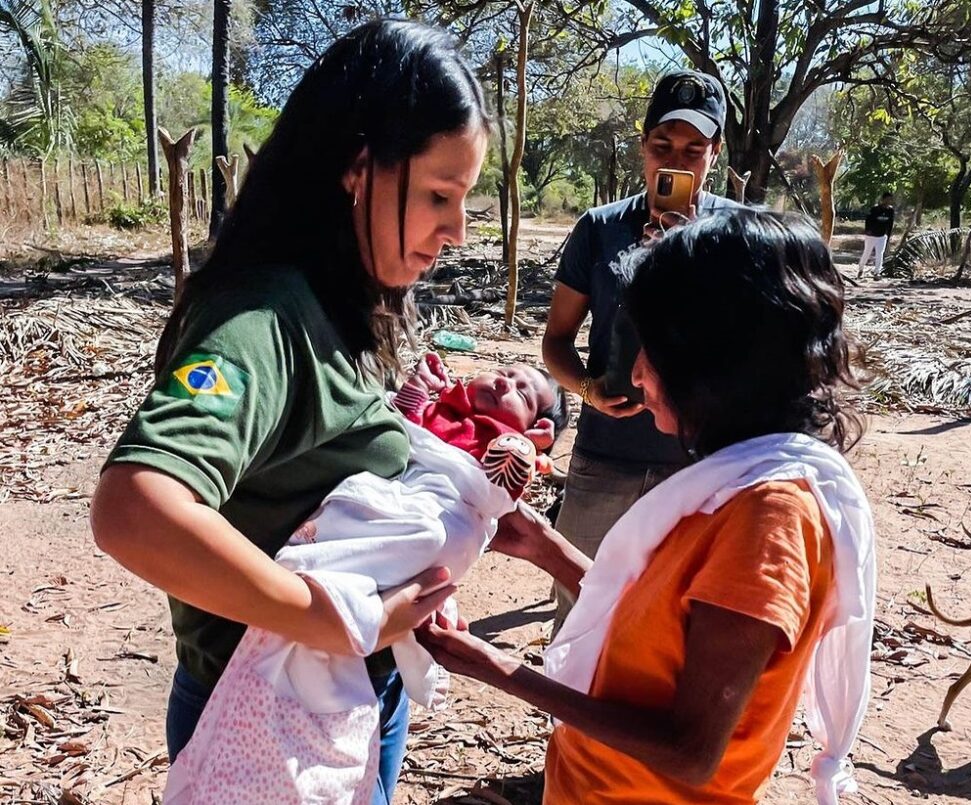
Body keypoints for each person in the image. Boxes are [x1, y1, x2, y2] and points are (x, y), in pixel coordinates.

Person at [90, 20, 489, 805]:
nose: (457, 232)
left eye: (464, 200)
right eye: (440, 195)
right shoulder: (264, 318)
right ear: (357, 168)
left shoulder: (345, 303)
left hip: (340, 703)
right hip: (264, 729)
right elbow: (133, 506)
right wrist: (327, 616)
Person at [419, 209, 877, 805]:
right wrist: (545, 547)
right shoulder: (730, 488)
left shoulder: (769, 521)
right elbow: (659, 629)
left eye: (652, 350)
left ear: (715, 362)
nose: (635, 373)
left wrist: (497, 668)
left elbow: (690, 751)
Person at [542, 69, 742, 633]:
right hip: (606, 455)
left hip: (701, 464)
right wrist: (588, 392)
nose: (675, 161)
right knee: (580, 612)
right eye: (662, 146)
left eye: (694, 149)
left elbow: (752, 348)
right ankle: (568, 722)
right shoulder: (600, 229)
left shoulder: (738, 233)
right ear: (643, 146)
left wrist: (684, 259)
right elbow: (555, 341)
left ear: (715, 153)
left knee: (677, 619)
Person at [393, 353, 569, 463]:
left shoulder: (501, 445)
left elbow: (505, 478)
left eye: (523, 395)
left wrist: (529, 445)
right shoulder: (445, 408)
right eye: (503, 373)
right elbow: (398, 422)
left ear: (534, 427)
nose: (504, 383)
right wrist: (421, 383)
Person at [857, 191, 895, 278]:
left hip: (882, 236)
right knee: (867, 252)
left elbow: (890, 223)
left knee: (880, 254)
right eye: (886, 199)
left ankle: (877, 271)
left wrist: (888, 236)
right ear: (882, 199)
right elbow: (868, 221)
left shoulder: (890, 211)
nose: (888, 201)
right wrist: (868, 231)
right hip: (871, 236)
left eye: (890, 199)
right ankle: (861, 269)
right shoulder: (875, 209)